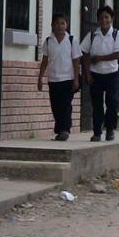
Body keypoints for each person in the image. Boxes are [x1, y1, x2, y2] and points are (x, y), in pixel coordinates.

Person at [81, 5, 119, 141]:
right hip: (96, 74)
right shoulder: (92, 35)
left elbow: (118, 53)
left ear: (111, 19)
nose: (104, 20)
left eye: (106, 17)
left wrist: (100, 58)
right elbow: (85, 54)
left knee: (112, 102)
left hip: (111, 73)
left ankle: (110, 129)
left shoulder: (117, 34)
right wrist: (87, 73)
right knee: (97, 104)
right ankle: (97, 132)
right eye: (101, 18)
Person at [37, 13, 82, 141]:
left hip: (68, 79)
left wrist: (76, 79)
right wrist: (40, 77)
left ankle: (65, 130)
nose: (60, 26)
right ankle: (60, 130)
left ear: (66, 25)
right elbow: (45, 60)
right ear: (52, 25)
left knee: (65, 105)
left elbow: (76, 60)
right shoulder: (48, 41)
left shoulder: (72, 40)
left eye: (62, 23)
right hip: (53, 79)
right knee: (56, 106)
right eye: (57, 23)